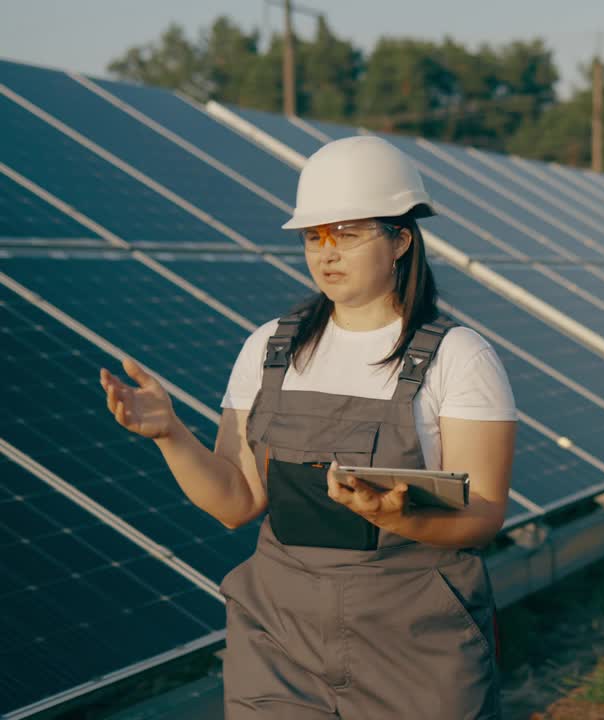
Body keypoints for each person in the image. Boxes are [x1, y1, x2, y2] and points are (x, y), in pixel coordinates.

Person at [100, 135, 517, 719]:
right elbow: (237, 502)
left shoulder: (460, 357)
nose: (327, 253)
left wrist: (400, 516)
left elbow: (484, 517)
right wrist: (170, 433)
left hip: (415, 640)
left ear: (400, 239)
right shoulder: (268, 349)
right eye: (314, 236)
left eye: (347, 233)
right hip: (279, 641)